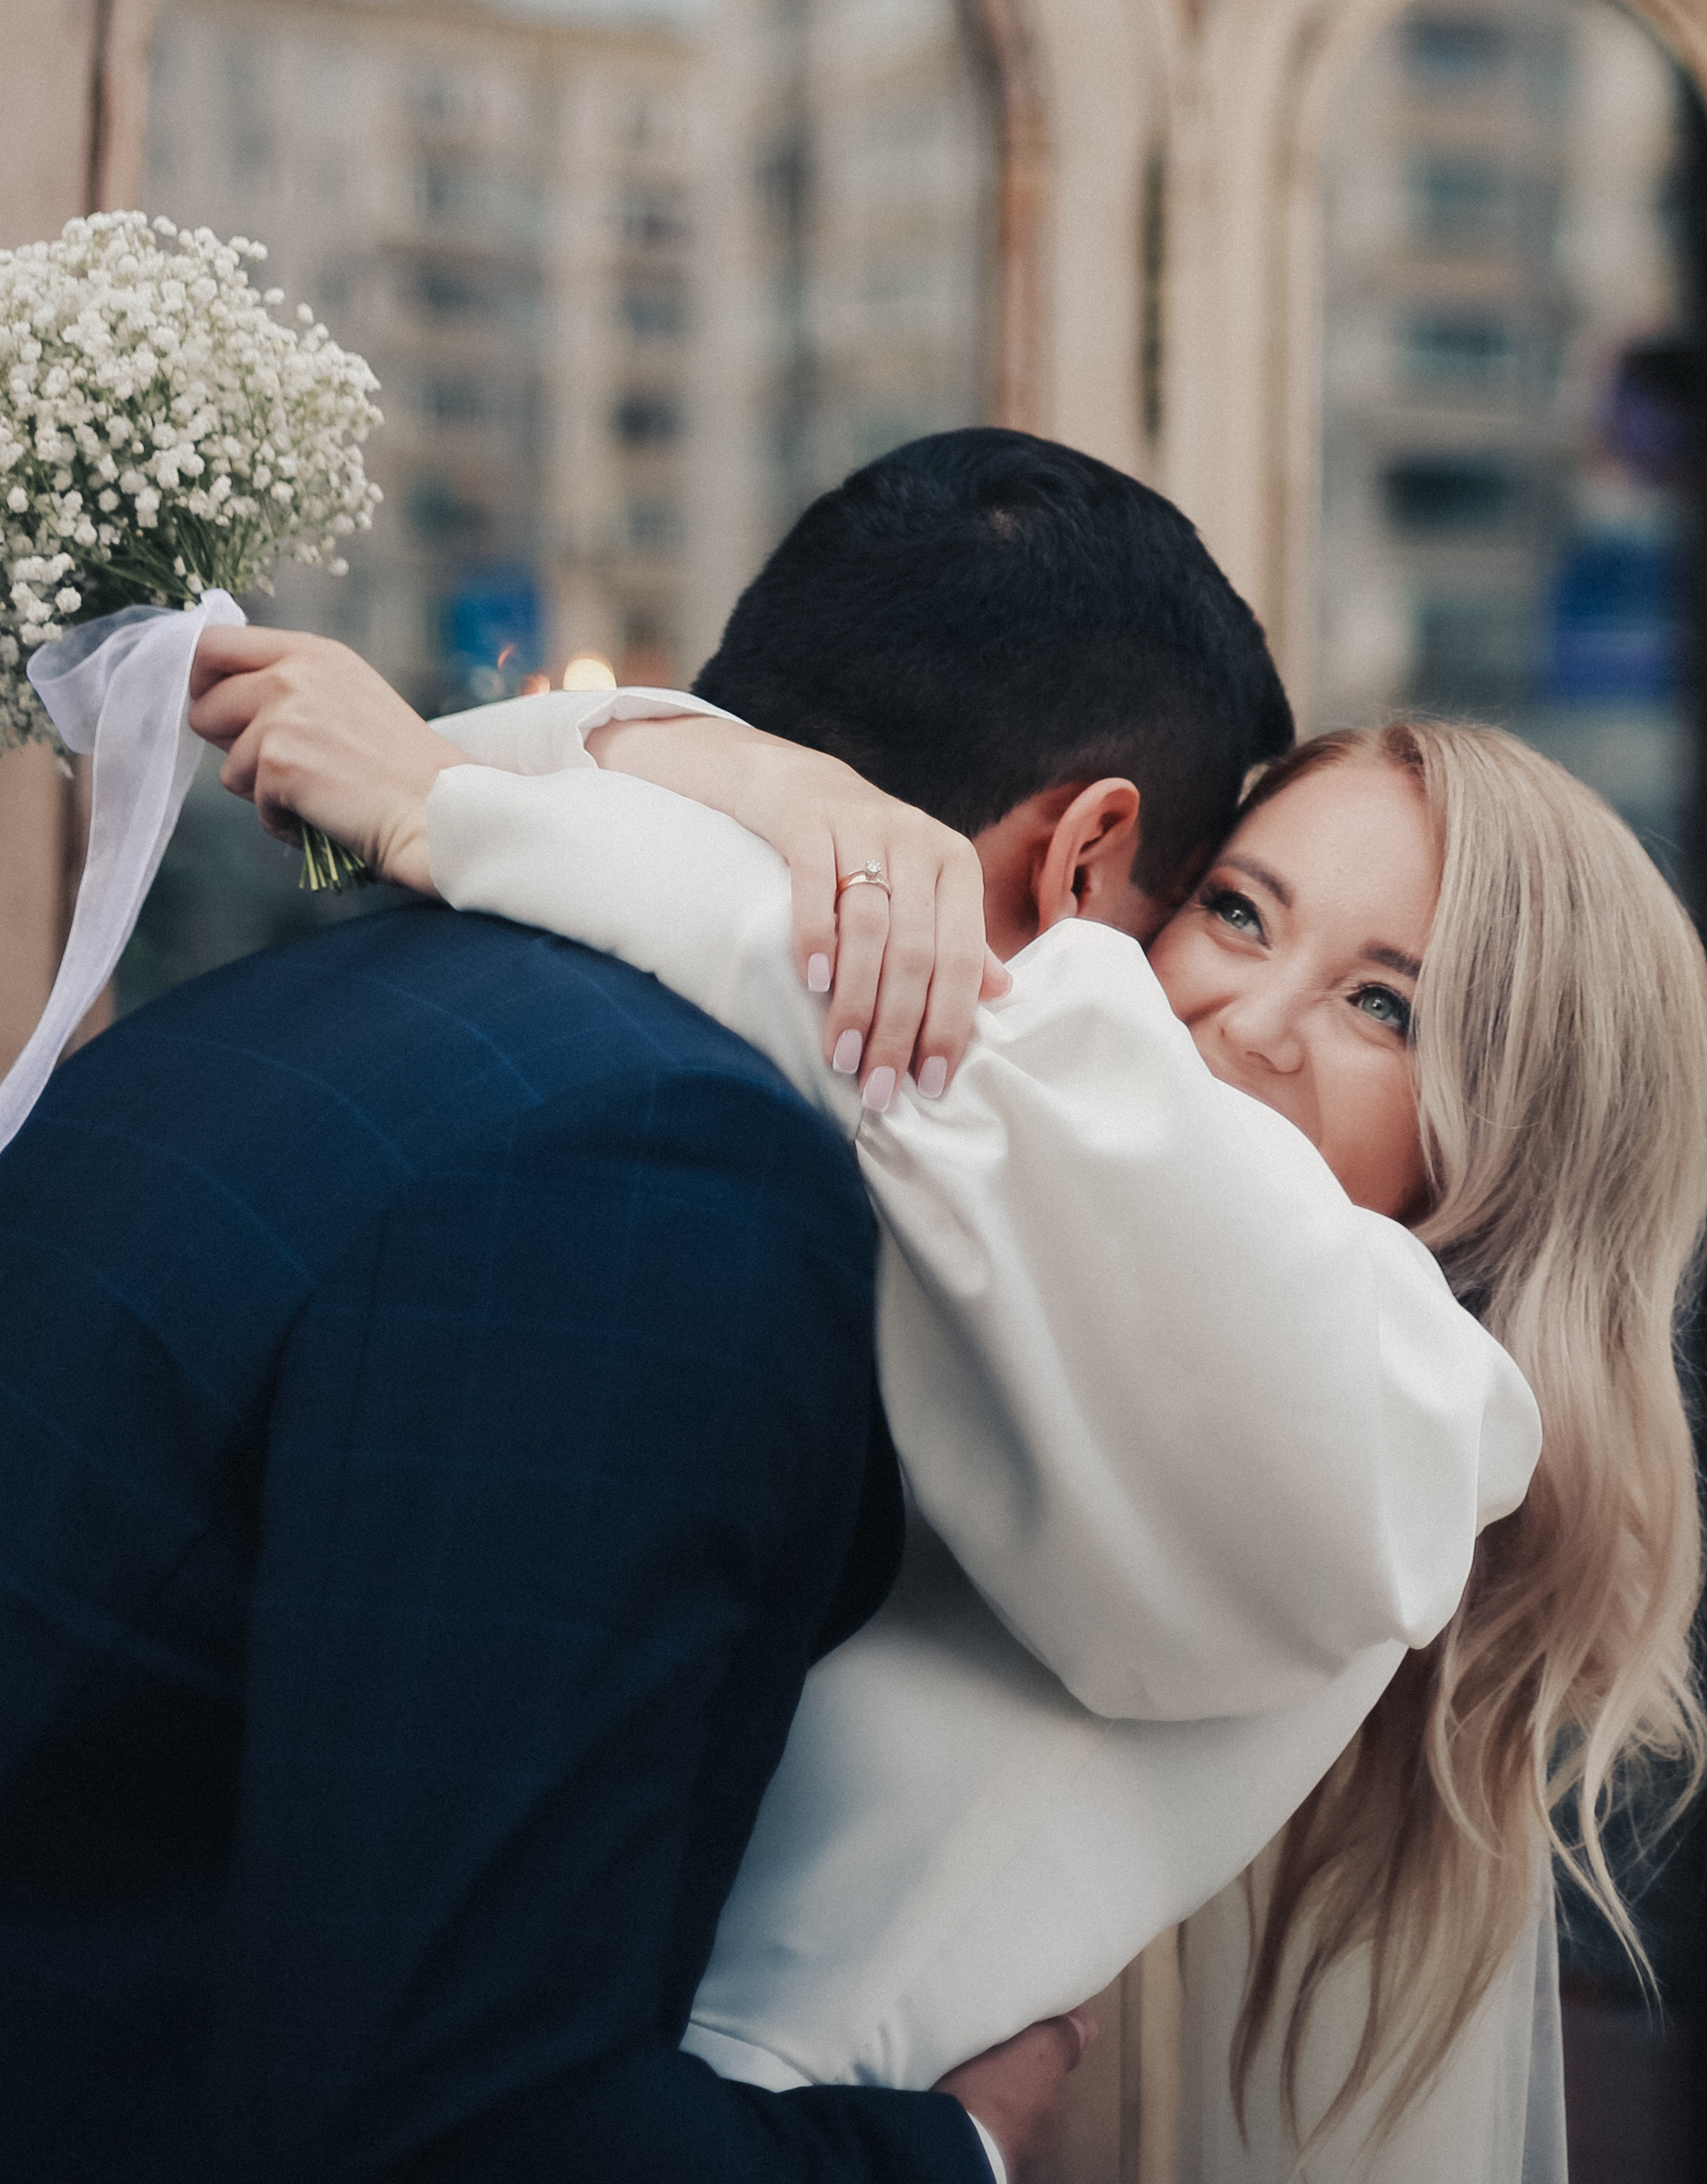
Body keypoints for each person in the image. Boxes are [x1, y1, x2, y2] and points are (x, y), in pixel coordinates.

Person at [0, 432, 1533, 2184]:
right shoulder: (664, 1180)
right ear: (1088, 853)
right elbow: (445, 2121)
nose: (1238, 1024)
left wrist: (525, 769)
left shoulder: (314, 1009)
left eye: (1387, 1005)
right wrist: (951, 2155)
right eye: (1225, 911)